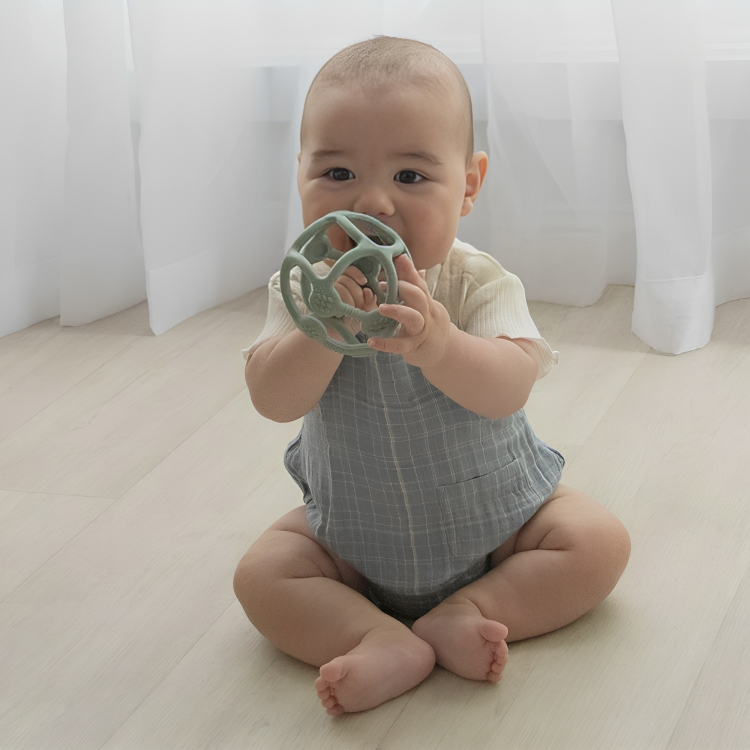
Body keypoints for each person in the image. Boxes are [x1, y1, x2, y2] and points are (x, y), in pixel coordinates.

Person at [234, 36, 631, 717]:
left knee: (598, 543)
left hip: (501, 528)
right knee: (262, 576)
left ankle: (473, 606)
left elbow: (510, 385)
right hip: (351, 542)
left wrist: (439, 345)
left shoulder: (475, 281)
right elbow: (272, 397)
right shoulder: (302, 292)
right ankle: (377, 635)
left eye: (411, 178)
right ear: (299, 172)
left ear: (468, 185)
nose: (373, 204)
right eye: (336, 174)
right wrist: (324, 332)